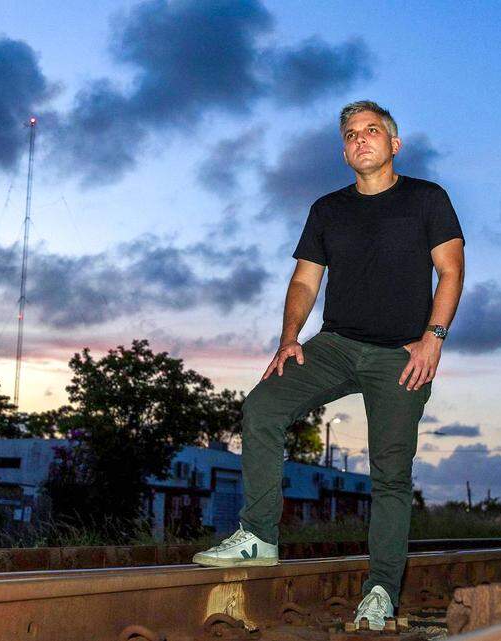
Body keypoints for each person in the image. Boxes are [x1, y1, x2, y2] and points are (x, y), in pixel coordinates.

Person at [193, 100, 466, 630]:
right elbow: (303, 280)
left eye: (371, 130)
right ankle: (259, 536)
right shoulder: (327, 209)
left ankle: (381, 590)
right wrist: (289, 338)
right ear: (344, 151)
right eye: (350, 134)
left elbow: (451, 271)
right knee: (262, 407)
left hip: (401, 355)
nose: (360, 139)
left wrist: (433, 339)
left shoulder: (426, 198)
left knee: (390, 475)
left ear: (394, 143)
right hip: (336, 345)